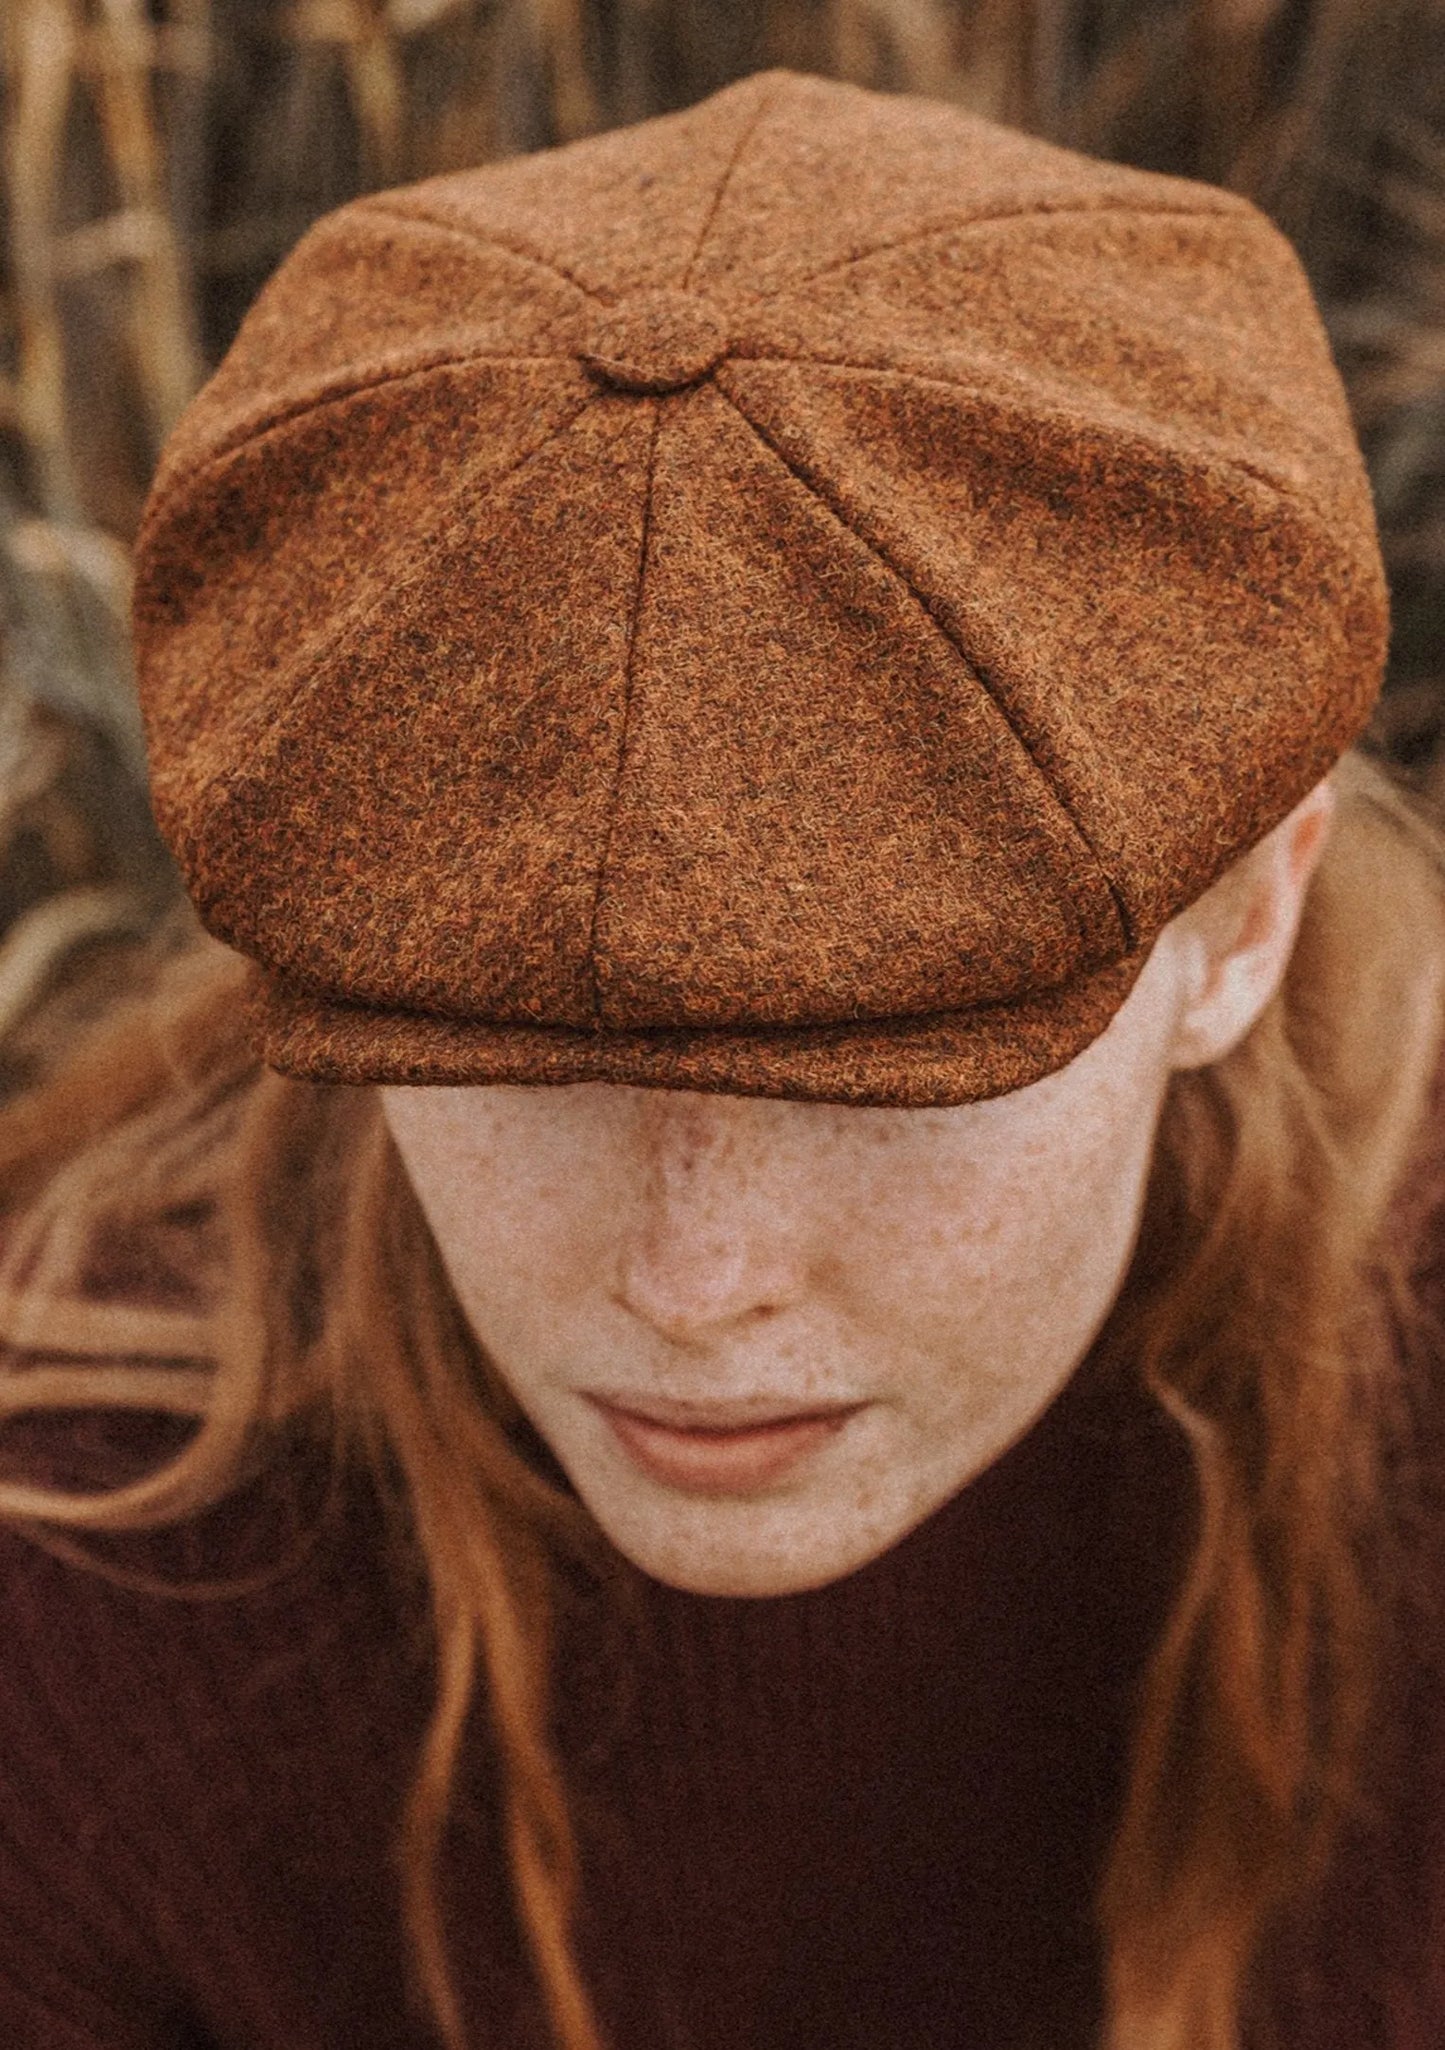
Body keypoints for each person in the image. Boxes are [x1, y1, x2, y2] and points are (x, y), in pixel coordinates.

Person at [1, 62, 1443, 2050]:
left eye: (887, 1065)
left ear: (1247, 929)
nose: (692, 1283)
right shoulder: (84, 1588)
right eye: (520, 1048)